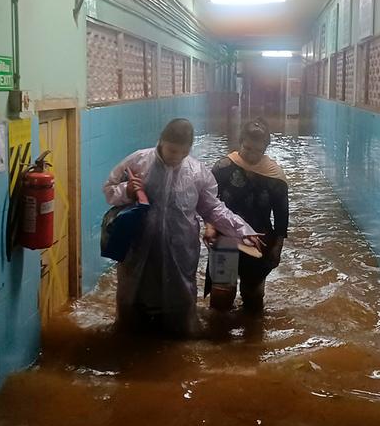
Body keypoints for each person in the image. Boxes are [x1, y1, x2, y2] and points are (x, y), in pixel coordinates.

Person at [103, 118, 261, 336]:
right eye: (171, 150)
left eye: (182, 152)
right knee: (134, 296)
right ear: (161, 142)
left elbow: (213, 208)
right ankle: (130, 336)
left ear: (189, 149)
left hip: (180, 250)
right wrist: (127, 191)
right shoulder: (138, 161)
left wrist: (243, 230)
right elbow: (110, 190)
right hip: (138, 249)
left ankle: (181, 338)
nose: (175, 157)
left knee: (180, 301)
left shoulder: (197, 173)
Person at [204, 119, 289, 313]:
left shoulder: (275, 177)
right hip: (225, 238)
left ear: (265, 148)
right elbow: (208, 202)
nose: (251, 155)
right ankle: (220, 339)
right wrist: (209, 227)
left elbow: (282, 216)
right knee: (221, 298)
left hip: (258, 241)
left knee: (253, 299)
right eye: (247, 148)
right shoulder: (223, 168)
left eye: (257, 151)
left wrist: (277, 248)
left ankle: (251, 341)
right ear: (241, 142)